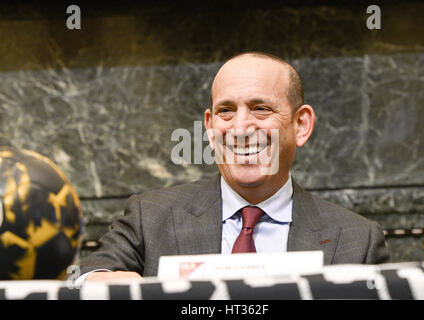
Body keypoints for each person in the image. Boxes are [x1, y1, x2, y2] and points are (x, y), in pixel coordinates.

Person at [79, 52, 389, 282]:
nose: (240, 128)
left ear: (301, 125)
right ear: (210, 128)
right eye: (226, 111)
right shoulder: (150, 217)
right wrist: (102, 284)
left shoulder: (358, 240)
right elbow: (87, 275)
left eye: (261, 109)